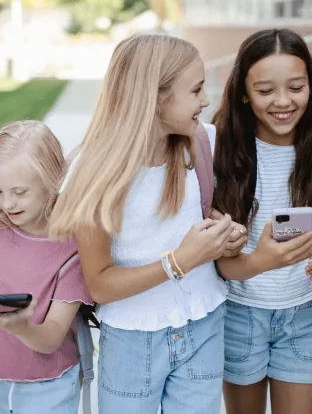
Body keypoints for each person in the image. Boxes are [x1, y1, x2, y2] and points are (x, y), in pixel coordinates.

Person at [50, 33, 246, 414]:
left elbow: (200, 216)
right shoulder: (94, 173)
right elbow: (100, 284)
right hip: (131, 342)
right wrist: (180, 262)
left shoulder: (200, 142)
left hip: (204, 324)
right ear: (156, 98)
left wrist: (225, 236)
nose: (206, 100)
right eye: (196, 90)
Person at [212, 28, 312, 414]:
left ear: (311, 86)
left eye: (296, 87)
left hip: (306, 315)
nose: (282, 102)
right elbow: (217, 260)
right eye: (265, 91)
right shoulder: (218, 155)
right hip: (238, 314)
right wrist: (261, 260)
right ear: (243, 91)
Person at [0, 121, 94, 413]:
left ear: (51, 181)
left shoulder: (72, 247)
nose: (7, 203)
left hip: (47, 388)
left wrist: (19, 326)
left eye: (20, 192)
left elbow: (52, 337)